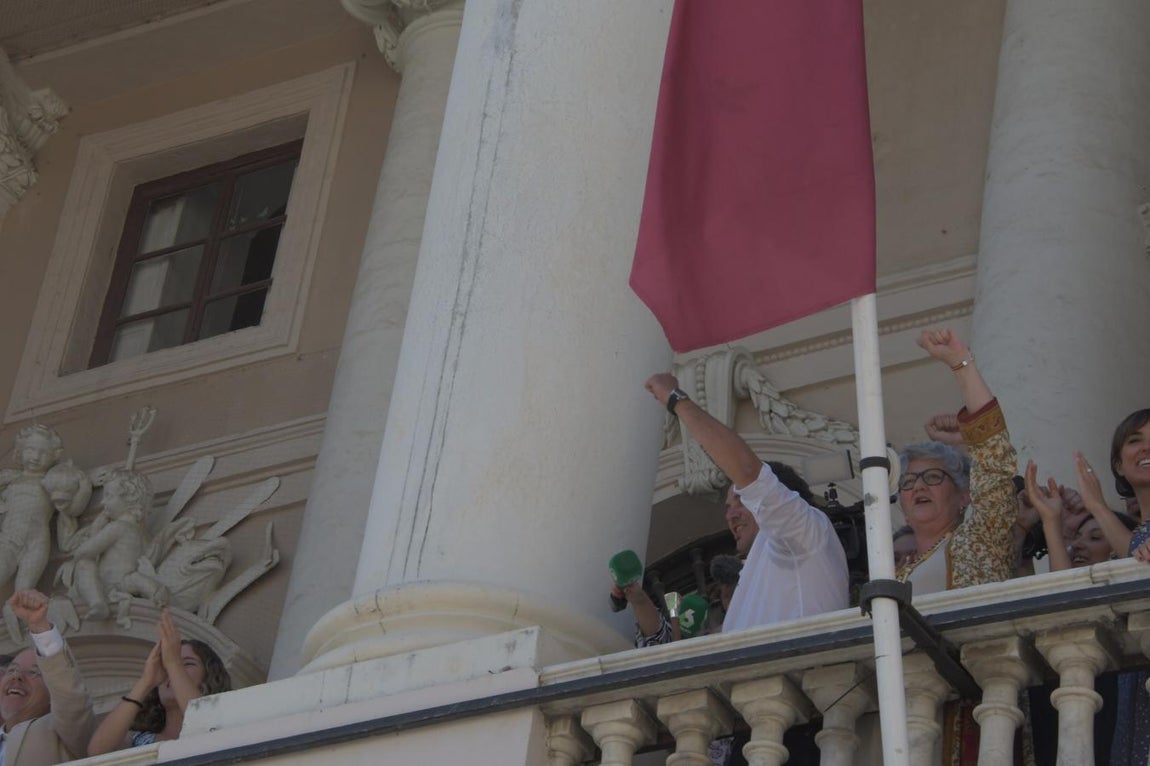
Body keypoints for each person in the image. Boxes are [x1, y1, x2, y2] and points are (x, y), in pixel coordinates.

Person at [645, 373, 848, 629]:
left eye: (742, 501)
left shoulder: (803, 531)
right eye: (729, 507)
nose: (731, 515)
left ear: (785, 496)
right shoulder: (758, 569)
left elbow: (747, 470)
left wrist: (676, 400)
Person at [896, 330, 1018, 593]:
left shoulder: (980, 539)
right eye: (908, 482)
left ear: (964, 496)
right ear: (902, 509)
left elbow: (994, 459)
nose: (918, 487)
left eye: (933, 477)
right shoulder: (896, 570)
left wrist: (960, 363)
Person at [88, 610, 232, 754]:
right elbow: (97, 751)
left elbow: (209, 732)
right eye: (165, 665)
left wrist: (174, 663)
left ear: (210, 676)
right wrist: (146, 682)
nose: (171, 671)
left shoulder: (225, 725)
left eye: (187, 664)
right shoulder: (137, 739)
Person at [0, 589, 95, 766]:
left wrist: (40, 627)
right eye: (12, 669)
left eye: (34, 672)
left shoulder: (62, 733)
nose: (17, 677)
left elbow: (71, 698)